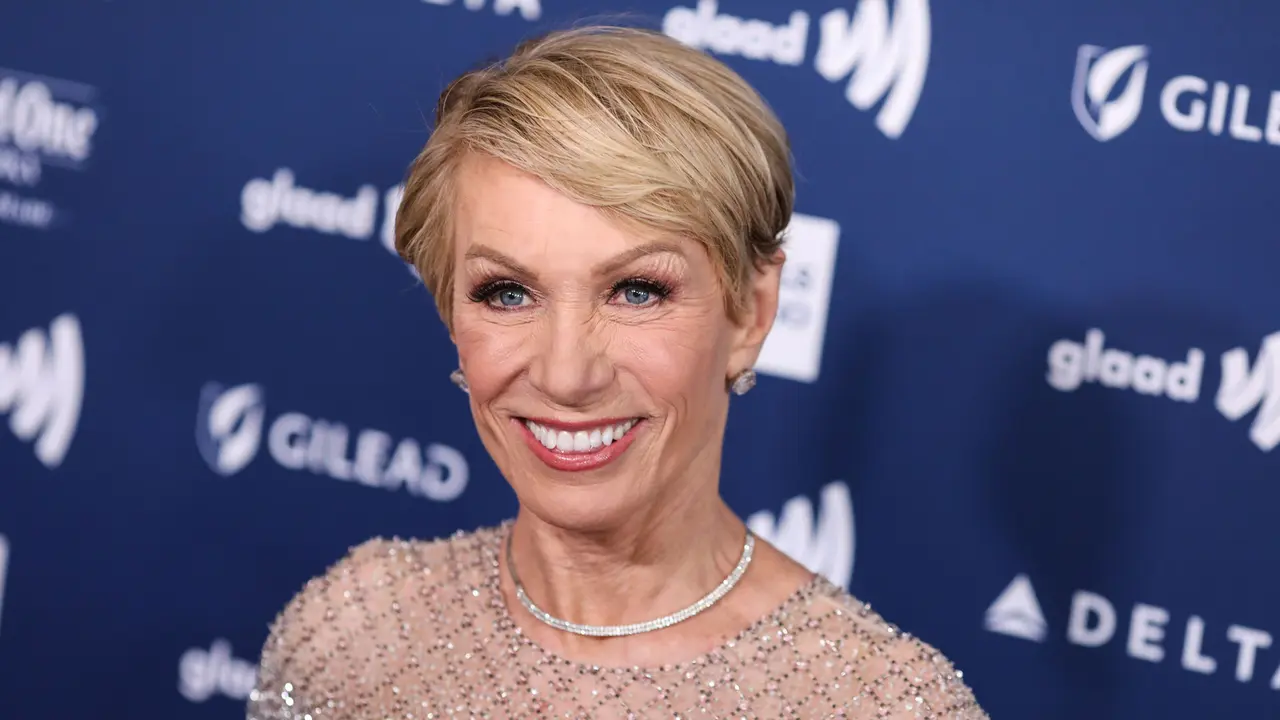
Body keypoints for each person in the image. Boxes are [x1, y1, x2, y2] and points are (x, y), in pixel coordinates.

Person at [246, 24, 988, 719]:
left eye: (637, 291)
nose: (568, 375)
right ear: (451, 313)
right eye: (507, 293)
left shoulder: (877, 703)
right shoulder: (354, 633)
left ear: (751, 313)